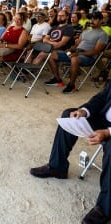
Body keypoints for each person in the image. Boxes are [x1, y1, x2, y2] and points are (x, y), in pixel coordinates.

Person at [30, 81, 111, 224]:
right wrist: (84, 111)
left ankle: (105, 208)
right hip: (105, 119)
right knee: (69, 114)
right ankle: (57, 167)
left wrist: (107, 133)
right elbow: (101, 97)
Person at [45, 11, 108, 93]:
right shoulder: (85, 31)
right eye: (90, 19)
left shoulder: (103, 34)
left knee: (74, 59)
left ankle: (71, 85)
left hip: (88, 57)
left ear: (100, 20)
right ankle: (57, 79)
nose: (91, 21)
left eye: (95, 19)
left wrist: (78, 54)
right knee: (51, 54)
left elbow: (96, 51)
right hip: (77, 53)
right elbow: (77, 46)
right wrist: (71, 49)